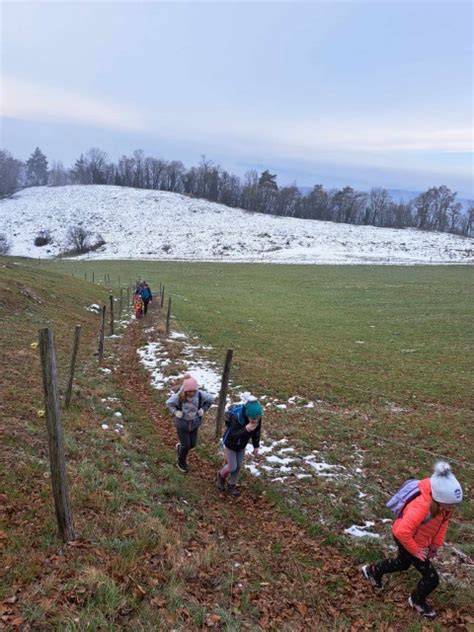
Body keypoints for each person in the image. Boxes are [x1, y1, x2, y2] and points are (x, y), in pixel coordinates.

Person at [361, 461, 463, 619]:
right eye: (449, 504)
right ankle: (416, 600)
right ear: (439, 497)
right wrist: (415, 549)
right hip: (407, 539)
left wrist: (435, 545)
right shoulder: (422, 506)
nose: (452, 508)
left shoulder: (443, 506)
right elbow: (401, 531)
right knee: (432, 578)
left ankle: (372, 571)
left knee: (402, 563)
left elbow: (443, 524)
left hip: (416, 540)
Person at [166, 373, 215, 473]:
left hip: (195, 424)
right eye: (189, 391)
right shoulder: (179, 396)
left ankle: (180, 447)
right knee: (186, 445)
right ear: (185, 390)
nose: (191, 393)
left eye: (193, 391)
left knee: (192, 444)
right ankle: (181, 462)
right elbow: (169, 403)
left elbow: (211, 399)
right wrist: (176, 412)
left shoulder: (200, 395)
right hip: (182, 424)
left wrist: (203, 409)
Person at [216, 393, 263, 497]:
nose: (255, 421)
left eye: (257, 418)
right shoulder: (238, 419)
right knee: (232, 466)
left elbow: (256, 433)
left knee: (238, 467)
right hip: (230, 444)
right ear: (247, 414)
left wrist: (256, 446)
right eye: (252, 418)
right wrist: (246, 429)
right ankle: (220, 475)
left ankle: (231, 486)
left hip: (241, 446)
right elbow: (232, 436)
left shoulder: (257, 420)